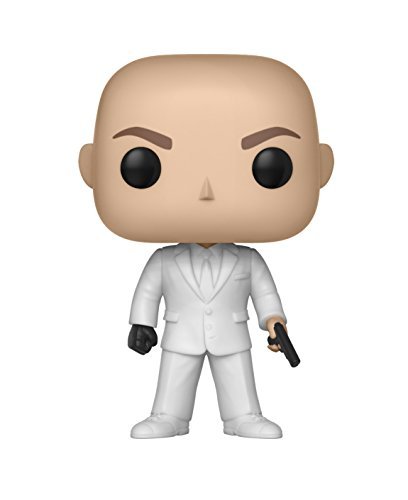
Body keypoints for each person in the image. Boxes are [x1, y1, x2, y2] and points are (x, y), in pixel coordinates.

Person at [79, 54, 334, 438]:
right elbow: (148, 291)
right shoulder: (163, 260)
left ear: (320, 167)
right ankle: (168, 416)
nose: (206, 191)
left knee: (238, 377)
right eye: (142, 166)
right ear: (91, 167)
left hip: (232, 334)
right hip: (180, 333)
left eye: (270, 166)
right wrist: (141, 323)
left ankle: (244, 416)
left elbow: (264, 293)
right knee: (174, 377)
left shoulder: (248, 260)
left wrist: (274, 321)